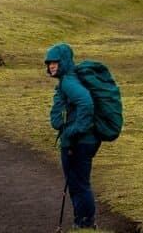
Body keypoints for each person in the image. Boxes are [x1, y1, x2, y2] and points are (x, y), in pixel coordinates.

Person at [46, 42, 99, 229]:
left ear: (64, 62)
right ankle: (82, 223)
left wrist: (74, 130)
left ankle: (85, 223)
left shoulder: (68, 82)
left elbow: (86, 103)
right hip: (81, 141)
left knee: (79, 185)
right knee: (78, 184)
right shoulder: (69, 80)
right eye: (49, 63)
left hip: (79, 143)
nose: (52, 66)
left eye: (55, 62)